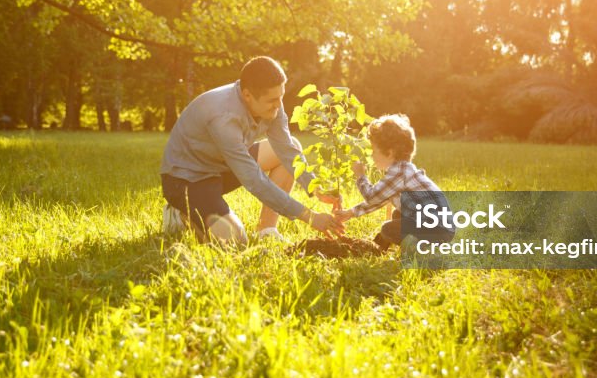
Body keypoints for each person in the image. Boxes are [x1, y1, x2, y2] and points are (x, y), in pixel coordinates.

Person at [160, 56, 344, 246]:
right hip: (186, 180)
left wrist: (316, 188)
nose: (279, 105)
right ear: (247, 95)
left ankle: (267, 230)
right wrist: (310, 217)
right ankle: (179, 213)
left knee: (293, 145)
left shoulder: (273, 105)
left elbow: (287, 150)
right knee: (236, 240)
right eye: (272, 100)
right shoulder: (223, 116)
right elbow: (254, 180)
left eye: (281, 96)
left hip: (221, 167)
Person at [334, 114, 451, 250]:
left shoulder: (398, 172)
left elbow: (372, 197)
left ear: (389, 153)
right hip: (440, 227)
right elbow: (379, 200)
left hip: (436, 229)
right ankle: (380, 247)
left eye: (374, 150)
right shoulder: (404, 169)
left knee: (388, 228)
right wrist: (351, 213)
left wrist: (360, 176)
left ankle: (422, 250)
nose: (372, 156)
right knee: (397, 215)